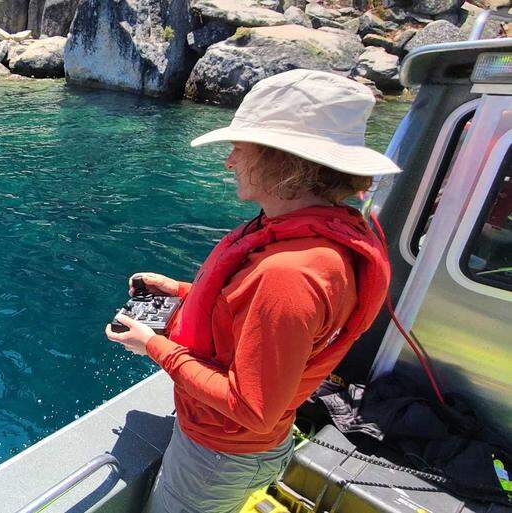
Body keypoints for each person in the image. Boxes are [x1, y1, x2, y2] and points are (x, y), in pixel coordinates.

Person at [105, 69, 397, 513]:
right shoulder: (319, 238)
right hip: (236, 450)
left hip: (218, 456)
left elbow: (251, 406)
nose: (228, 162)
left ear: (284, 162)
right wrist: (181, 290)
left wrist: (154, 346)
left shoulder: (290, 273)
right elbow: (253, 312)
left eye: (239, 150)